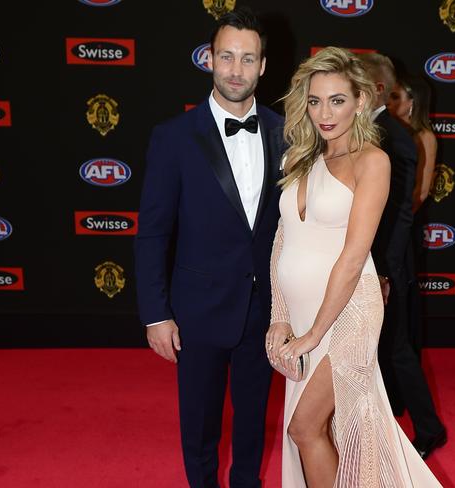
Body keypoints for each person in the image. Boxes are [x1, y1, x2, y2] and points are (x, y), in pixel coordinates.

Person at [265, 46, 441, 487]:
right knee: (330, 432)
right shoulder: (298, 158)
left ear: (361, 101)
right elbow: (283, 239)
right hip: (303, 313)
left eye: (337, 100)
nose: (325, 112)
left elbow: (352, 257)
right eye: (315, 100)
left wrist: (312, 334)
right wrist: (280, 317)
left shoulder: (372, 161)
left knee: (304, 428)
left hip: (347, 315)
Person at [134, 8, 284, 488]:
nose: (235, 70)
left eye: (247, 58)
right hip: (196, 310)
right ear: (209, 60)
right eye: (226, 57)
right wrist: (155, 314)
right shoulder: (173, 138)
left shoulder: (290, 133)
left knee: (252, 424)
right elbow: (153, 232)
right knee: (198, 426)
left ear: (263, 66)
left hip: (265, 310)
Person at [358, 53, 447, 460]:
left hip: (384, 263)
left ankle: (429, 427)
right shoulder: (374, 131)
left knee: (394, 347)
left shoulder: (393, 136)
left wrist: (384, 270)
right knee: (378, 346)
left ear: (374, 89)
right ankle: (385, 413)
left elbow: (399, 214)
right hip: (370, 259)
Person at [387, 74, 437, 214]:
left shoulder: (425, 137)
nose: (388, 101)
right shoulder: (385, 130)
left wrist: (400, 219)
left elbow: (422, 191)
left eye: (395, 97)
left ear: (412, 102)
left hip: (402, 218)